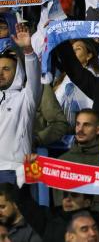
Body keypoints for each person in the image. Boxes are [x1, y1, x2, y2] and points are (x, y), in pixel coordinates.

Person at [0, 23, 42, 184]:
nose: (0, 73)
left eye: (6, 69)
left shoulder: (25, 98)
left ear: (18, 72)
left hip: (16, 171)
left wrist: (28, 50)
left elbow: (34, 78)